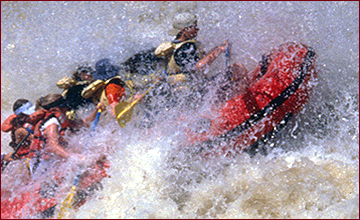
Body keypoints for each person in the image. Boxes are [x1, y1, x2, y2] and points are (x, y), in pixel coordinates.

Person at [28, 93, 105, 174]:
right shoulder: (52, 123)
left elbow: (84, 122)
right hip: (43, 166)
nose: (67, 108)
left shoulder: (61, 118)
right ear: (56, 109)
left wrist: (96, 111)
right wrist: (74, 158)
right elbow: (53, 146)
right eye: (64, 106)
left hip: (52, 160)